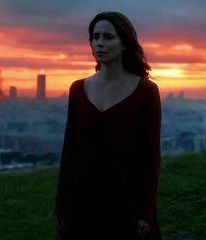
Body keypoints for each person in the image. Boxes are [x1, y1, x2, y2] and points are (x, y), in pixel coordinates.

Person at [54, 11, 161, 240]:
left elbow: (151, 157)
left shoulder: (146, 92)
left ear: (125, 44)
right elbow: (69, 151)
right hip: (81, 200)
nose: (99, 43)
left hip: (125, 200)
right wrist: (61, 205)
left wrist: (146, 213)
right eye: (95, 37)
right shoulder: (77, 89)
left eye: (108, 37)